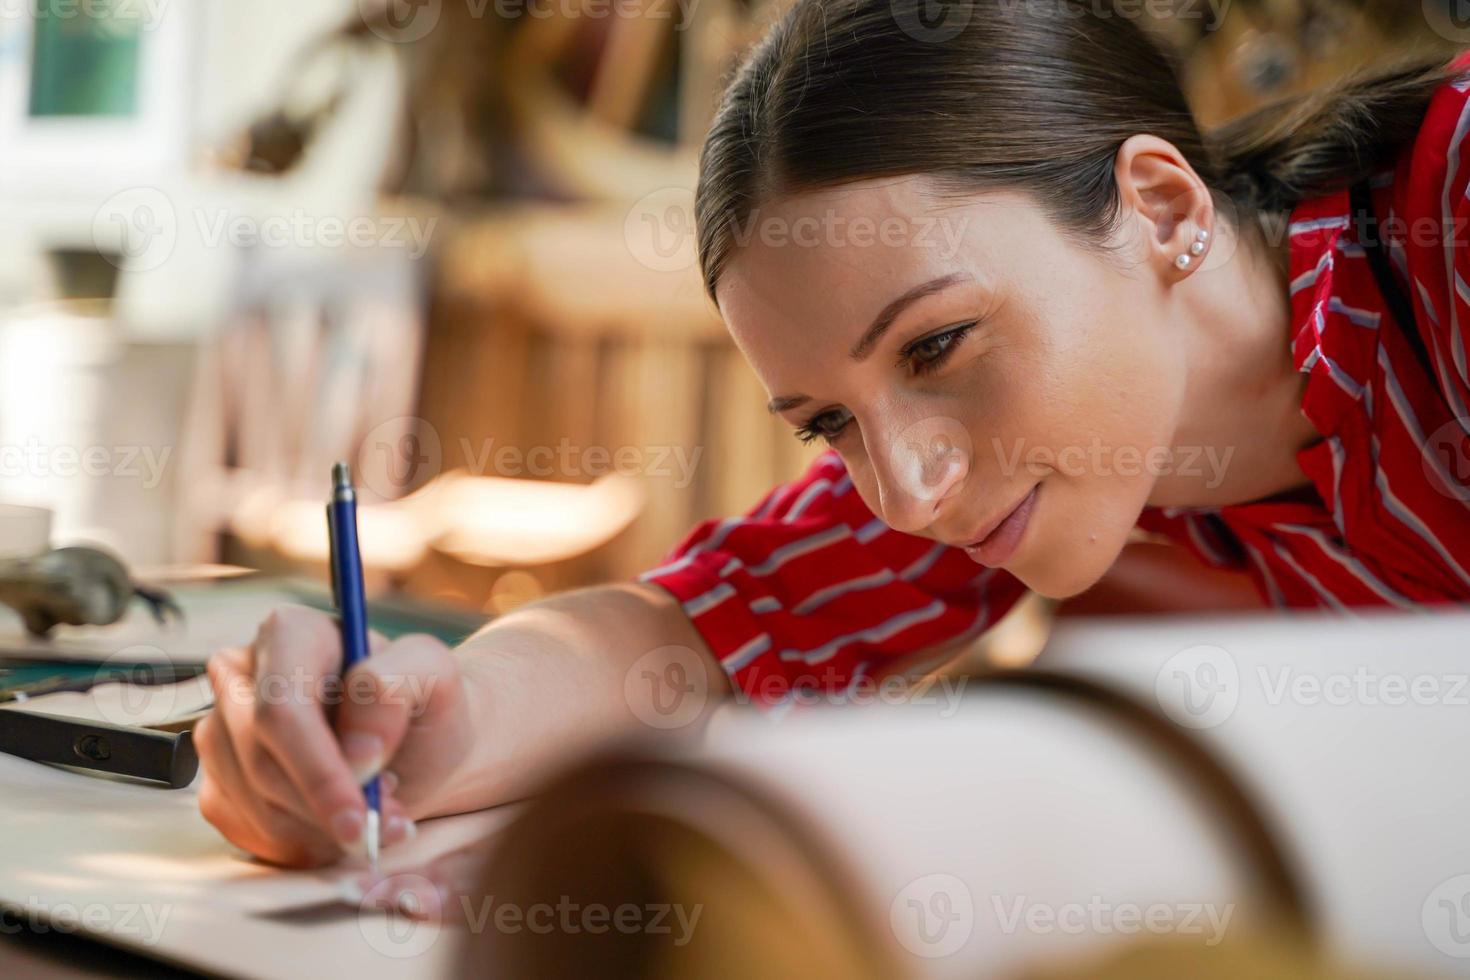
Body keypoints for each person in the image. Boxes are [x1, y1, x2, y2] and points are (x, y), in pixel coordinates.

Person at [194, 0, 1470, 869]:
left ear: (1157, 206)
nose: (909, 490)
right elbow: (705, 625)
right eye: (829, 423)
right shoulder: (1067, 441)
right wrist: (418, 724)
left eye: (937, 345)